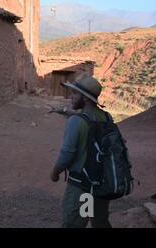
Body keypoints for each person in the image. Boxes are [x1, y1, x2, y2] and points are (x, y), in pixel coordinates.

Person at [49, 73, 112, 228]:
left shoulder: (75, 122)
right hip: (101, 183)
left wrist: (55, 173)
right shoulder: (106, 117)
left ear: (84, 98)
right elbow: (86, 119)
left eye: (75, 93)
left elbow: (66, 155)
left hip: (81, 185)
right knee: (99, 221)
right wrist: (63, 110)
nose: (71, 96)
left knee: (74, 223)